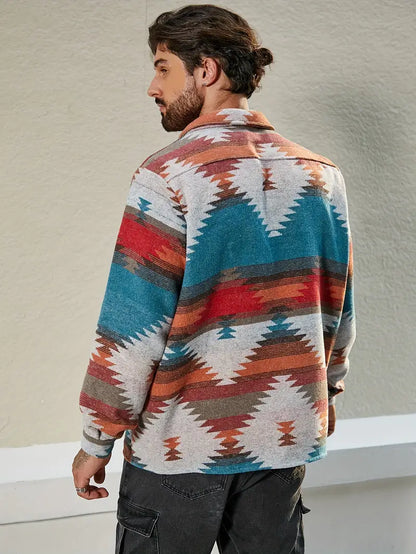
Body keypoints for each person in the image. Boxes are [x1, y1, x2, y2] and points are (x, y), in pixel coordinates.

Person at [72, 4, 356, 553]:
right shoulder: (322, 176)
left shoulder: (169, 176)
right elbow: (337, 308)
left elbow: (131, 329)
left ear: (206, 70)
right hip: (283, 438)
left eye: (162, 68)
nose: (152, 87)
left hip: (182, 447)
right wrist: (327, 394)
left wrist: (96, 440)